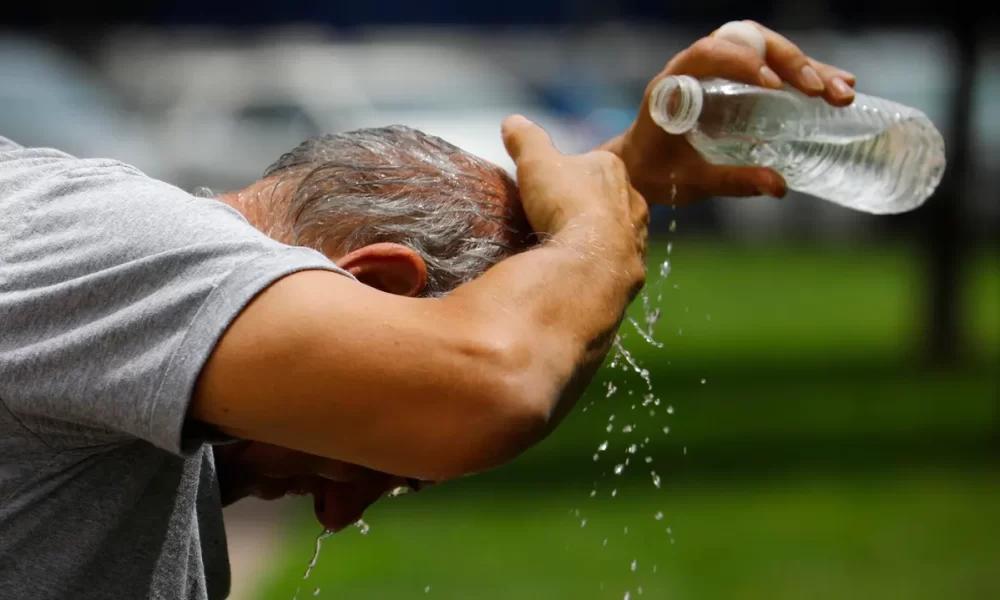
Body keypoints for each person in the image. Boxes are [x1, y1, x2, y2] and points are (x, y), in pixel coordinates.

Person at [0, 22, 856, 599]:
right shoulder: (112, 246)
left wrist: (625, 173)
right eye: (386, 456)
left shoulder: (116, 322)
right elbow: (487, 387)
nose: (340, 511)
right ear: (374, 288)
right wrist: (594, 235)